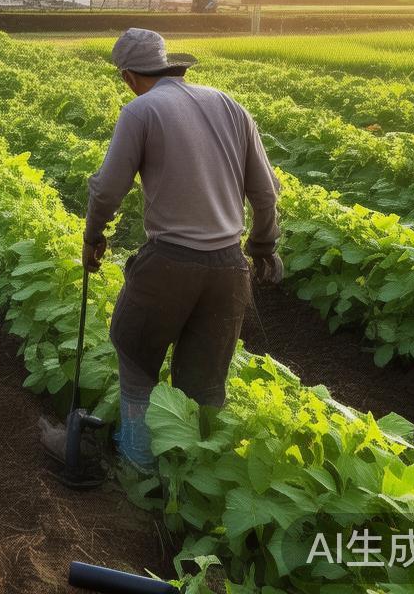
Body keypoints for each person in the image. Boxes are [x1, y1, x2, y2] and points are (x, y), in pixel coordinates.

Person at [82, 28, 282, 475]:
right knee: (205, 385)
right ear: (172, 65)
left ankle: (137, 464)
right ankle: (193, 478)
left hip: (169, 264)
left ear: (129, 77)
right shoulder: (231, 106)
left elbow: (107, 190)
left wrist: (94, 235)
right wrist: (264, 246)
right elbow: (266, 192)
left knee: (134, 356)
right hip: (230, 268)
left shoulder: (140, 110)